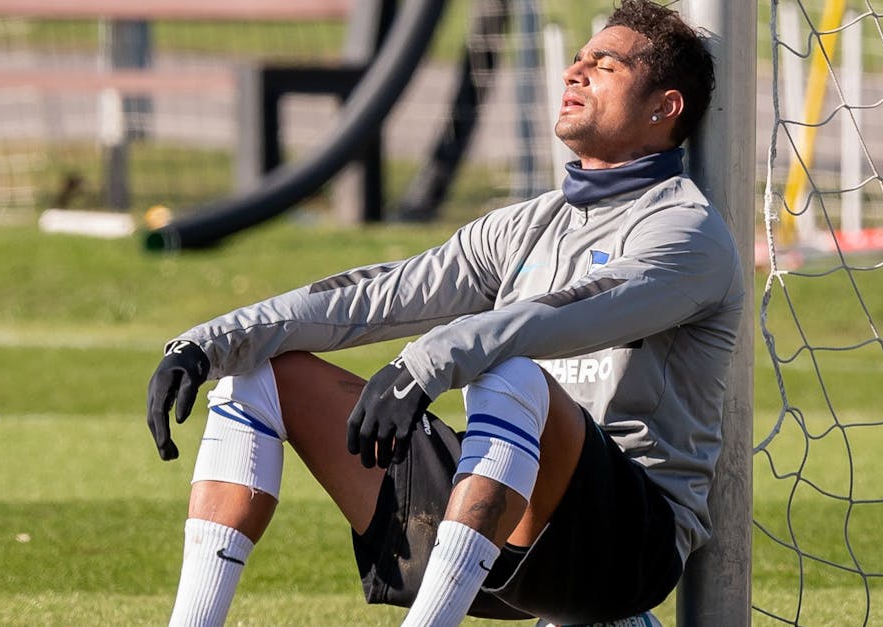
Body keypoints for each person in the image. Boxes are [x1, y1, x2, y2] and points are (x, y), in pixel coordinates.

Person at [144, 2, 738, 625]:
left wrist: (428, 362)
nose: (574, 73)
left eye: (605, 65)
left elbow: (566, 315)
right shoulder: (524, 226)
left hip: (621, 546)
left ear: (664, 107)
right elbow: (380, 294)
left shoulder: (688, 234)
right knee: (262, 370)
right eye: (578, 59)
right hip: (490, 522)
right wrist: (209, 342)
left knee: (509, 371)